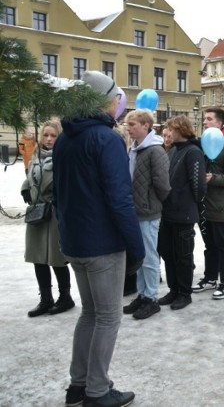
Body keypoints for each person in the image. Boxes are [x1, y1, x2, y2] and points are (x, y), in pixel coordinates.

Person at [53, 70, 144, 407]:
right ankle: (97, 390)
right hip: (103, 243)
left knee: (90, 313)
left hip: (76, 241)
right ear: (105, 100)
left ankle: (79, 385)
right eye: (116, 97)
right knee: (107, 316)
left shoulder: (65, 137)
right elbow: (120, 199)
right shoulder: (105, 139)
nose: (119, 103)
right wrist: (136, 247)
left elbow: (59, 196)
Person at [22, 119, 75, 318]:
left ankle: (65, 297)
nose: (49, 139)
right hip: (37, 213)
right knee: (38, 259)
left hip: (54, 214)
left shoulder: (63, 157)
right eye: (46, 135)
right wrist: (25, 188)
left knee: (57, 259)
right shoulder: (36, 155)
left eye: (53, 135)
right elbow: (31, 177)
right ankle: (46, 298)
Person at [121, 110, 170, 319]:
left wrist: (151, 202)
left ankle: (151, 297)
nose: (128, 128)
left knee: (149, 257)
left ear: (145, 126)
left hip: (148, 212)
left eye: (132, 124)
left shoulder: (154, 151)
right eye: (127, 124)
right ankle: (142, 294)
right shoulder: (135, 148)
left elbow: (163, 185)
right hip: (135, 211)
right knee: (140, 256)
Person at [157, 115, 207, 310]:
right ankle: (174, 289)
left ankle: (184, 293)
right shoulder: (172, 151)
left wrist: (187, 202)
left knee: (183, 255)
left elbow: (198, 184)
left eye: (171, 129)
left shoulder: (193, 152)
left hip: (184, 213)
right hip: (168, 213)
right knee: (168, 253)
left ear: (182, 130)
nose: (168, 132)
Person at [196, 112, 224, 300]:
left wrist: (213, 178)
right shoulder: (204, 145)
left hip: (222, 207)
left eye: (210, 119)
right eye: (204, 119)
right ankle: (210, 278)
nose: (205, 122)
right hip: (205, 205)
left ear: (220, 122)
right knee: (209, 246)